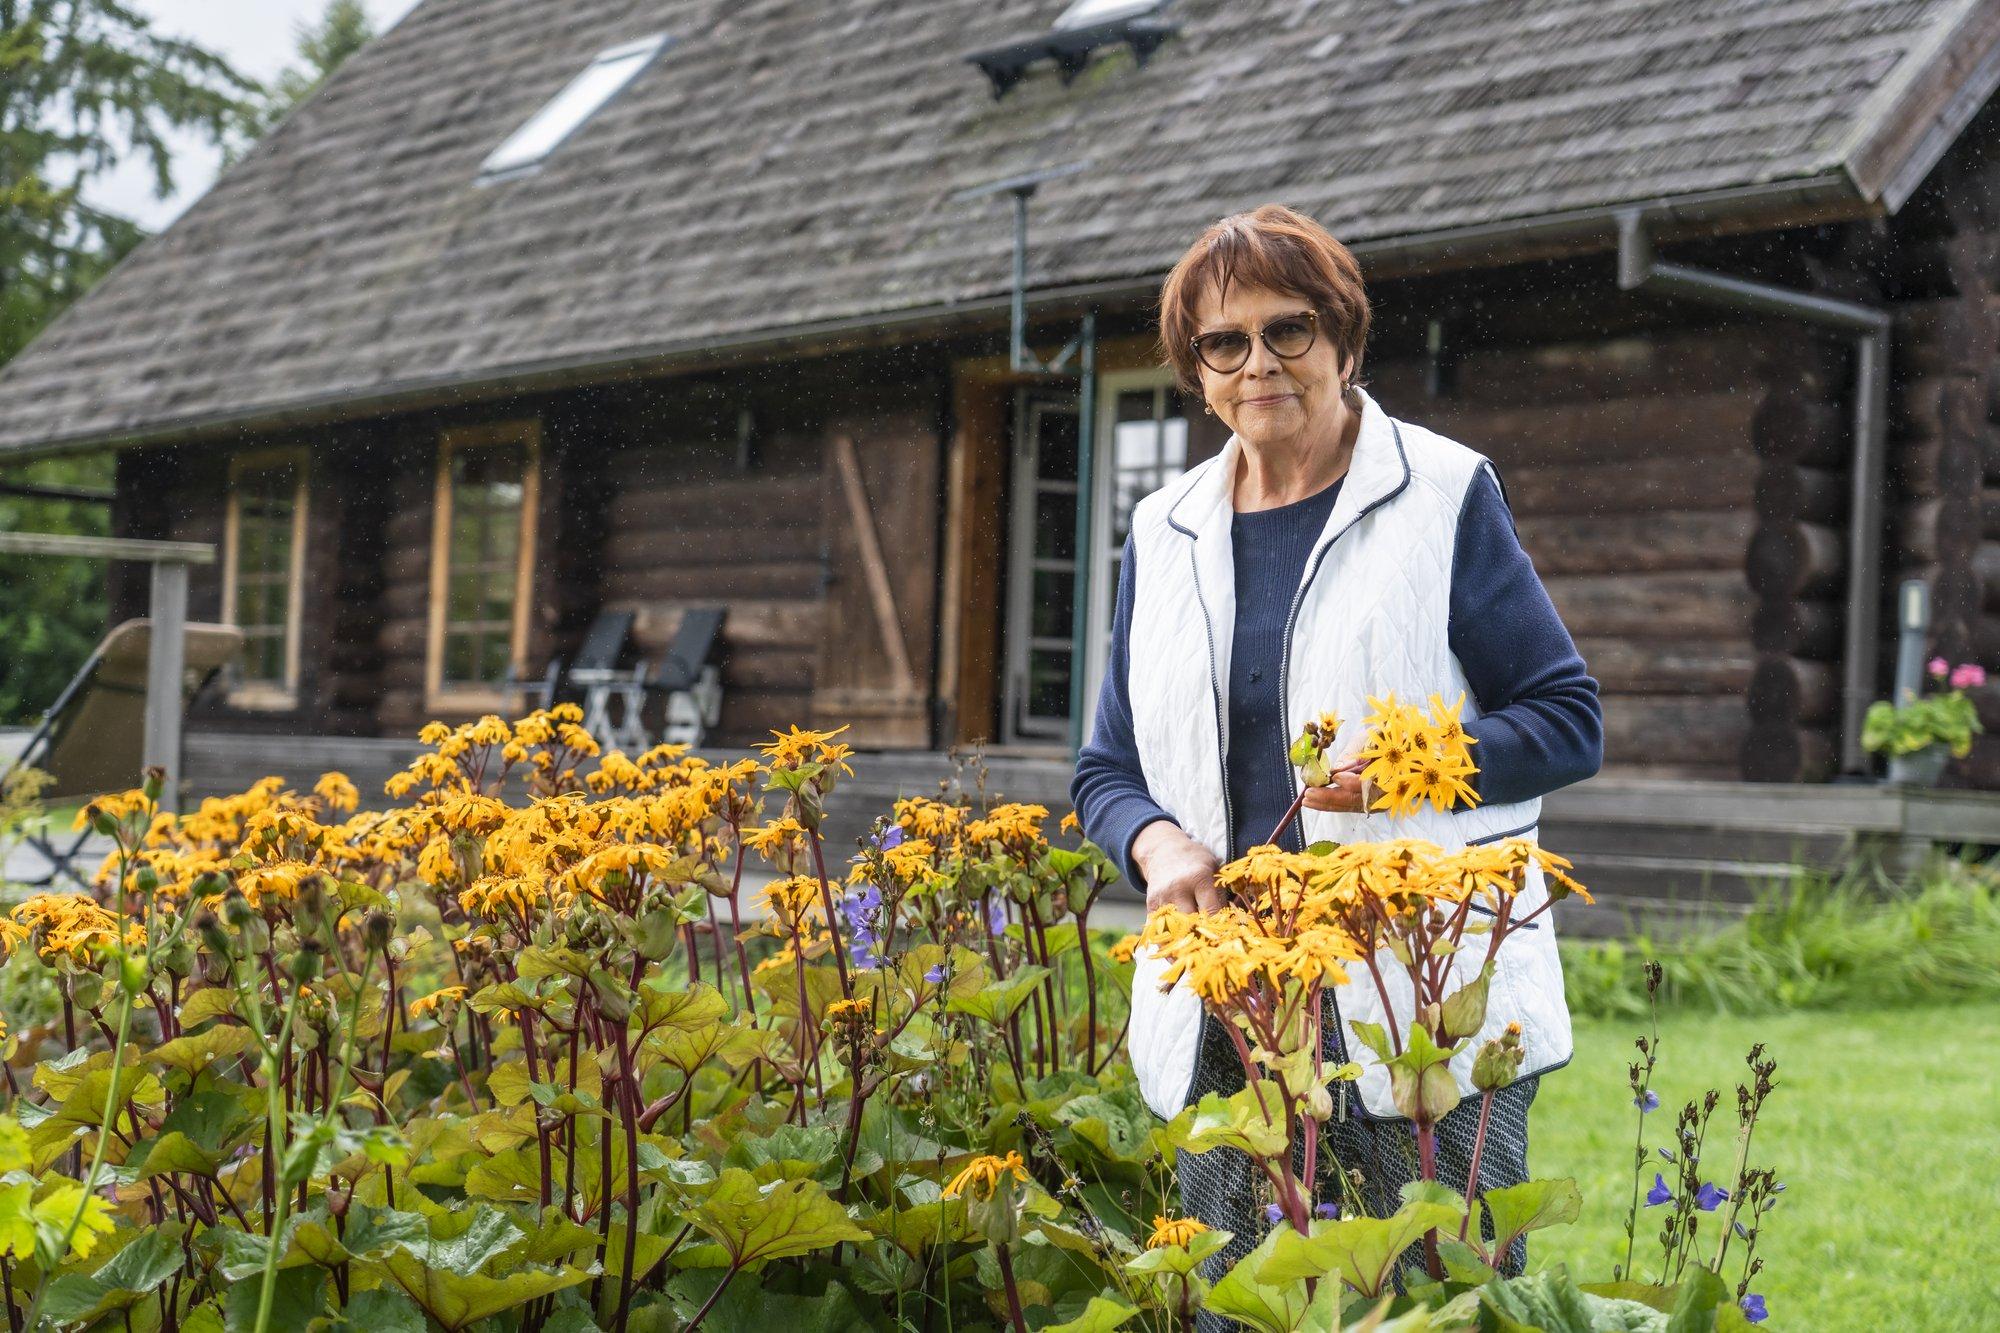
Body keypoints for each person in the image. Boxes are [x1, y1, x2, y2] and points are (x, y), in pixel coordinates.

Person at [1070, 203, 1603, 1319]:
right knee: (1233, 1299)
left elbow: (1564, 718)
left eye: (1288, 330)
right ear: (1197, 372)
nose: (1257, 362)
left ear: (1345, 344)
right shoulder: (1159, 532)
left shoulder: (1443, 495)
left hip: (1417, 986)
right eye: (1224, 341)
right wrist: (1154, 839)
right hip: (1232, 990)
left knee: (1426, 1295)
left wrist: (1417, 762)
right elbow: (1105, 768)